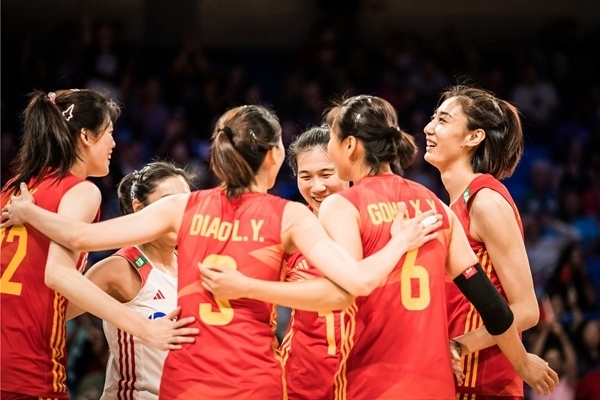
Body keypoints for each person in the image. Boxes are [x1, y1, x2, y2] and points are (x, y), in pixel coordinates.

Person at [0, 104, 442, 399]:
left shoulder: (181, 207)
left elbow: (79, 238)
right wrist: (399, 243)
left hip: (186, 384)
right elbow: (354, 285)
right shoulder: (291, 217)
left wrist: (30, 211)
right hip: (254, 382)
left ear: (218, 158)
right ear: (275, 156)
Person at [199, 95, 559, 399]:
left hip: (374, 379)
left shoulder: (344, 206)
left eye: (332, 142)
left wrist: (245, 286)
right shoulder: (435, 205)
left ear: (350, 146)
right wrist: (521, 359)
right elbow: (494, 307)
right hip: (436, 383)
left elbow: (347, 289)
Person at [0, 89, 197, 400]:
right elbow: (58, 274)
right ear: (86, 137)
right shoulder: (81, 191)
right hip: (28, 367)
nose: (114, 143)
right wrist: (145, 328)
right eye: (109, 132)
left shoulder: (15, 188)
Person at [423, 84, 544, 399]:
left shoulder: (486, 201)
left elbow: (527, 310)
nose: (428, 128)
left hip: (485, 384)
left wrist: (460, 345)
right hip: (450, 380)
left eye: (443, 120)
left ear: (474, 137)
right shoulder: (453, 206)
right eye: (433, 118)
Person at [65, 161, 195, 399]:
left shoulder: (194, 267)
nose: (180, 212)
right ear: (139, 208)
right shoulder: (119, 268)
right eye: (170, 202)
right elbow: (53, 315)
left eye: (186, 203)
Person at [278, 126, 350, 399]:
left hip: (366, 376)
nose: (317, 187)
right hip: (301, 381)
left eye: (327, 174)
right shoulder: (288, 232)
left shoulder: (379, 223)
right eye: (306, 177)